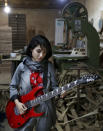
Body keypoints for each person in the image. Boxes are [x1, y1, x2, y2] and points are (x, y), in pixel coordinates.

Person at [9, 35, 63, 131]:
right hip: (25, 106)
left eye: (44, 52)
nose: (41, 55)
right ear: (31, 50)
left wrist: (60, 92)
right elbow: (13, 86)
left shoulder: (49, 67)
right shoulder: (22, 66)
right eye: (38, 51)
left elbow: (54, 87)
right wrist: (17, 103)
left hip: (44, 106)